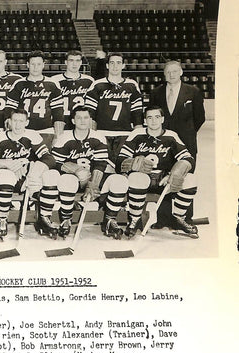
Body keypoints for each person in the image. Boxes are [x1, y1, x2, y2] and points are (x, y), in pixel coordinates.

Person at [117, 106, 198, 238]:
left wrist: (175, 173)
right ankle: (135, 219)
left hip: (164, 179)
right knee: (137, 177)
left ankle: (179, 217)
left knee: (191, 179)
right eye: (150, 117)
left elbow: (188, 158)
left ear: (162, 119)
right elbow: (120, 160)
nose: (153, 121)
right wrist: (132, 164)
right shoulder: (137, 134)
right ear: (144, 121)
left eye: (157, 117)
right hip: (143, 179)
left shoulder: (171, 136)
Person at [51, 106, 128, 239]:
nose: (82, 121)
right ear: (73, 121)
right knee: (66, 180)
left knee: (120, 181)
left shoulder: (98, 137)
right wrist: (74, 168)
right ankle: (66, 219)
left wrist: (93, 185)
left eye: (86, 117)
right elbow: (55, 163)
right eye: (79, 118)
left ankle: (110, 220)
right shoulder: (64, 137)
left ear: (90, 120)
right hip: (73, 179)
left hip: (94, 178)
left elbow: (100, 164)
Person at [0, 108, 57, 238]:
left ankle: (44, 218)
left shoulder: (32, 135)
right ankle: (2, 219)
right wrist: (5, 163)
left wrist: (32, 168)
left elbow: (49, 159)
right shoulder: (0, 137)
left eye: (21, 121)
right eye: (15, 121)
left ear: (27, 122)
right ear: (9, 122)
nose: (18, 125)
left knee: (51, 175)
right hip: (7, 180)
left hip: (29, 178)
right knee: (4, 175)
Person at [85, 52, 144, 168]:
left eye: (118, 63)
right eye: (112, 63)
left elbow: (137, 115)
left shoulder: (132, 85)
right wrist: (92, 135)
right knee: (102, 168)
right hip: (102, 133)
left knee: (124, 167)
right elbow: (90, 114)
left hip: (125, 134)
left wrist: (138, 137)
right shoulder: (97, 85)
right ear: (107, 65)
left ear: (123, 65)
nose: (115, 66)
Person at [4, 50, 65, 150]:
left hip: (46, 131)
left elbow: (58, 112)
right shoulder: (19, 83)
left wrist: (58, 137)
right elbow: (9, 111)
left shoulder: (52, 83)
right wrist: (11, 134)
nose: (35, 67)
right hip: (23, 131)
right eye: (33, 64)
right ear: (27, 65)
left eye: (38, 64)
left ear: (43, 65)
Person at [149, 60, 205, 159]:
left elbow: (200, 117)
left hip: (186, 141)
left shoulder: (193, 92)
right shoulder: (155, 93)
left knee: (184, 172)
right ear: (164, 74)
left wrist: (188, 130)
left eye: (174, 71)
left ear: (181, 72)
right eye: (168, 72)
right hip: (162, 142)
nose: (171, 75)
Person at [51, 50, 95, 130]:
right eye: (71, 60)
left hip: (81, 122)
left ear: (81, 62)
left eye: (77, 60)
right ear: (65, 62)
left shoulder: (89, 80)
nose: (75, 64)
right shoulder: (54, 80)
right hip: (61, 122)